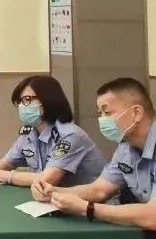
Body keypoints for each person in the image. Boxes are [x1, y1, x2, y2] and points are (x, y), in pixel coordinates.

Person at [35, 78, 156, 228]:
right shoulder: (126, 146)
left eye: (107, 112)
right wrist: (52, 191)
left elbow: (153, 216)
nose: (102, 120)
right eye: (100, 113)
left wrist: (88, 208)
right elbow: (99, 190)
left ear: (136, 113)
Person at [0, 75, 105, 193]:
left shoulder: (69, 135)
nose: (22, 106)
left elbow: (46, 180)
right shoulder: (30, 133)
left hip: (90, 204)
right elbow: (7, 163)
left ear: (48, 100)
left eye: (27, 99)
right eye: (20, 101)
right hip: (56, 200)